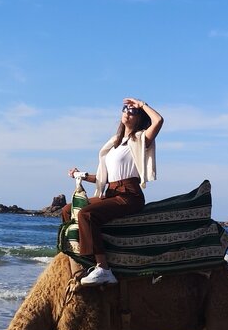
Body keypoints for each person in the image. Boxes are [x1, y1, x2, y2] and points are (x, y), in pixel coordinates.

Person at [62, 97, 163, 286]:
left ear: (140, 118)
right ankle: (78, 258)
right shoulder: (114, 144)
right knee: (68, 209)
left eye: (133, 111)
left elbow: (158, 121)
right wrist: (80, 175)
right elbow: (104, 179)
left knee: (86, 214)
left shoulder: (141, 140)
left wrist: (142, 105)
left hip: (129, 195)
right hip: (111, 192)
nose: (127, 112)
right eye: (125, 108)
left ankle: (104, 268)